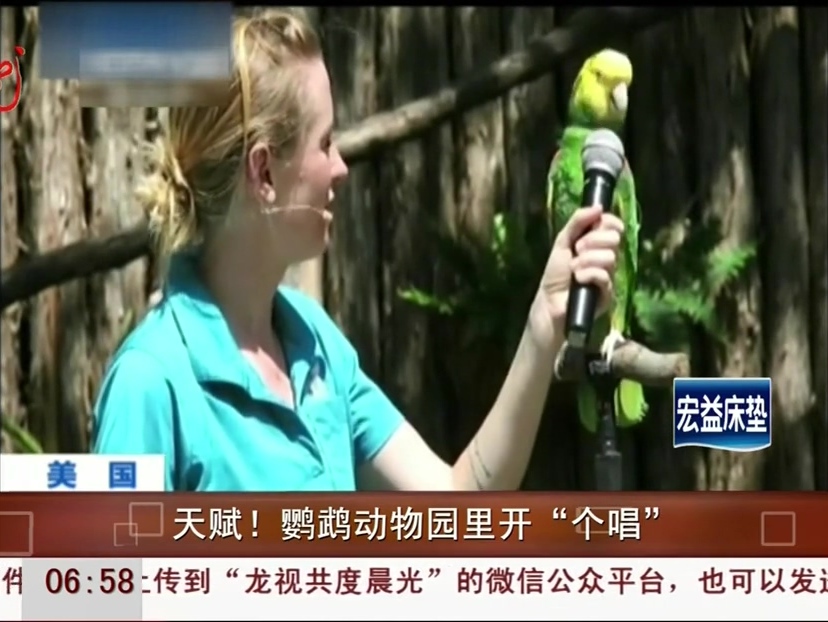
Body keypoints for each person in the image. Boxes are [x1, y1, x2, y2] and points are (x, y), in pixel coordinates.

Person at [92, 9, 624, 492]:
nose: (341, 168)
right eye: (324, 143)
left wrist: (543, 322)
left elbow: (459, 506)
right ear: (263, 172)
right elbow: (92, 598)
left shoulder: (313, 341)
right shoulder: (150, 383)